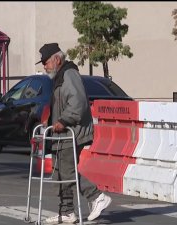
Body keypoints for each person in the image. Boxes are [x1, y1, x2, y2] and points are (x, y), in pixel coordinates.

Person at [36, 43, 112, 224]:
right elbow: (61, 104)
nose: (44, 66)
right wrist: (49, 122)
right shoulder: (59, 76)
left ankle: (97, 196)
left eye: (46, 62)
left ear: (56, 59)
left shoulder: (69, 74)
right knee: (59, 174)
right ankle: (67, 212)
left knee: (67, 173)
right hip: (61, 135)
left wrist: (64, 121)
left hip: (72, 132)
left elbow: (78, 103)